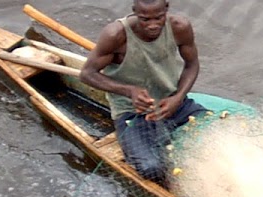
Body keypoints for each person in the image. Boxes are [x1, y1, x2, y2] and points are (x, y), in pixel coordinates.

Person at [79, 0, 206, 184]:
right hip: (134, 113)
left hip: (173, 103)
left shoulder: (180, 27)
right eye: (145, 19)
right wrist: (128, 90)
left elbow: (192, 64)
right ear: (135, 12)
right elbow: (87, 74)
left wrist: (177, 98)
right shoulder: (116, 35)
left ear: (166, 10)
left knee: (217, 131)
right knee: (152, 168)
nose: (153, 25)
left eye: (159, 18)